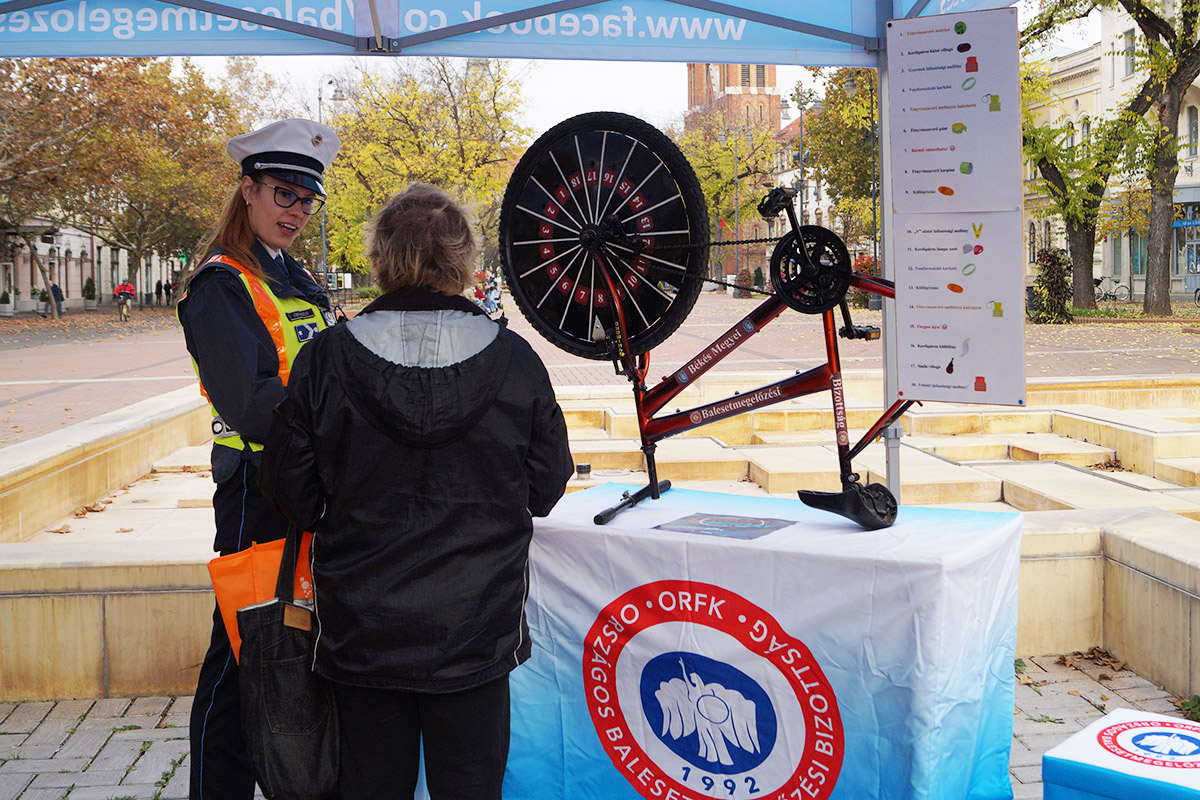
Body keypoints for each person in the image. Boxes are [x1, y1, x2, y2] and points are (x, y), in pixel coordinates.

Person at [259, 183, 573, 800]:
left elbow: (291, 493)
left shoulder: (324, 359)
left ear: (380, 258)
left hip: (362, 629)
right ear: (462, 260)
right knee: (472, 786)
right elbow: (545, 486)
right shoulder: (515, 360)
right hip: (476, 630)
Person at [176, 118, 340, 800]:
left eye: (307, 199)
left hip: (307, 486)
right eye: (282, 193)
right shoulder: (220, 284)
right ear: (247, 190)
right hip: (255, 491)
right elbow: (250, 403)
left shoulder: (293, 274)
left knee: (288, 653)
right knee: (240, 659)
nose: (295, 210)